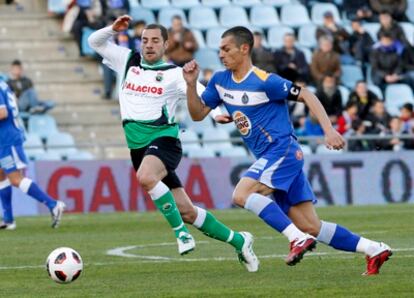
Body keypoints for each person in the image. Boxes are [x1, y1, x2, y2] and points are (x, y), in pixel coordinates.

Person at [183, 26, 392, 275]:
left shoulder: (265, 81)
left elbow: (307, 94)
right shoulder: (219, 81)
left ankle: (296, 239)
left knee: (241, 194)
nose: (221, 54)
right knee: (311, 226)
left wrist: (329, 130)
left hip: (282, 151)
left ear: (244, 48)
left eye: (226, 49)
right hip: (274, 158)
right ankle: (373, 249)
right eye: (219, 50)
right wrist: (191, 84)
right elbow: (197, 115)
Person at [88, 15, 259, 271]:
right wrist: (112, 29)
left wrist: (214, 113)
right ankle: (239, 240)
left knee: (146, 177)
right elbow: (94, 41)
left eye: (155, 41)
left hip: (164, 140)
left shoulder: (174, 74)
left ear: (165, 45)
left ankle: (180, 234)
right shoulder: (127, 61)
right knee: (188, 212)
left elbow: (201, 92)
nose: (148, 45)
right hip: (138, 148)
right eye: (145, 40)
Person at [0, 80, 65, 230]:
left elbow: (2, 112)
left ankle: (53, 204)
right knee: (1, 175)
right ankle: (9, 219)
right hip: (4, 138)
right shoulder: (2, 82)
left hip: (7, 140)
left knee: (15, 179)